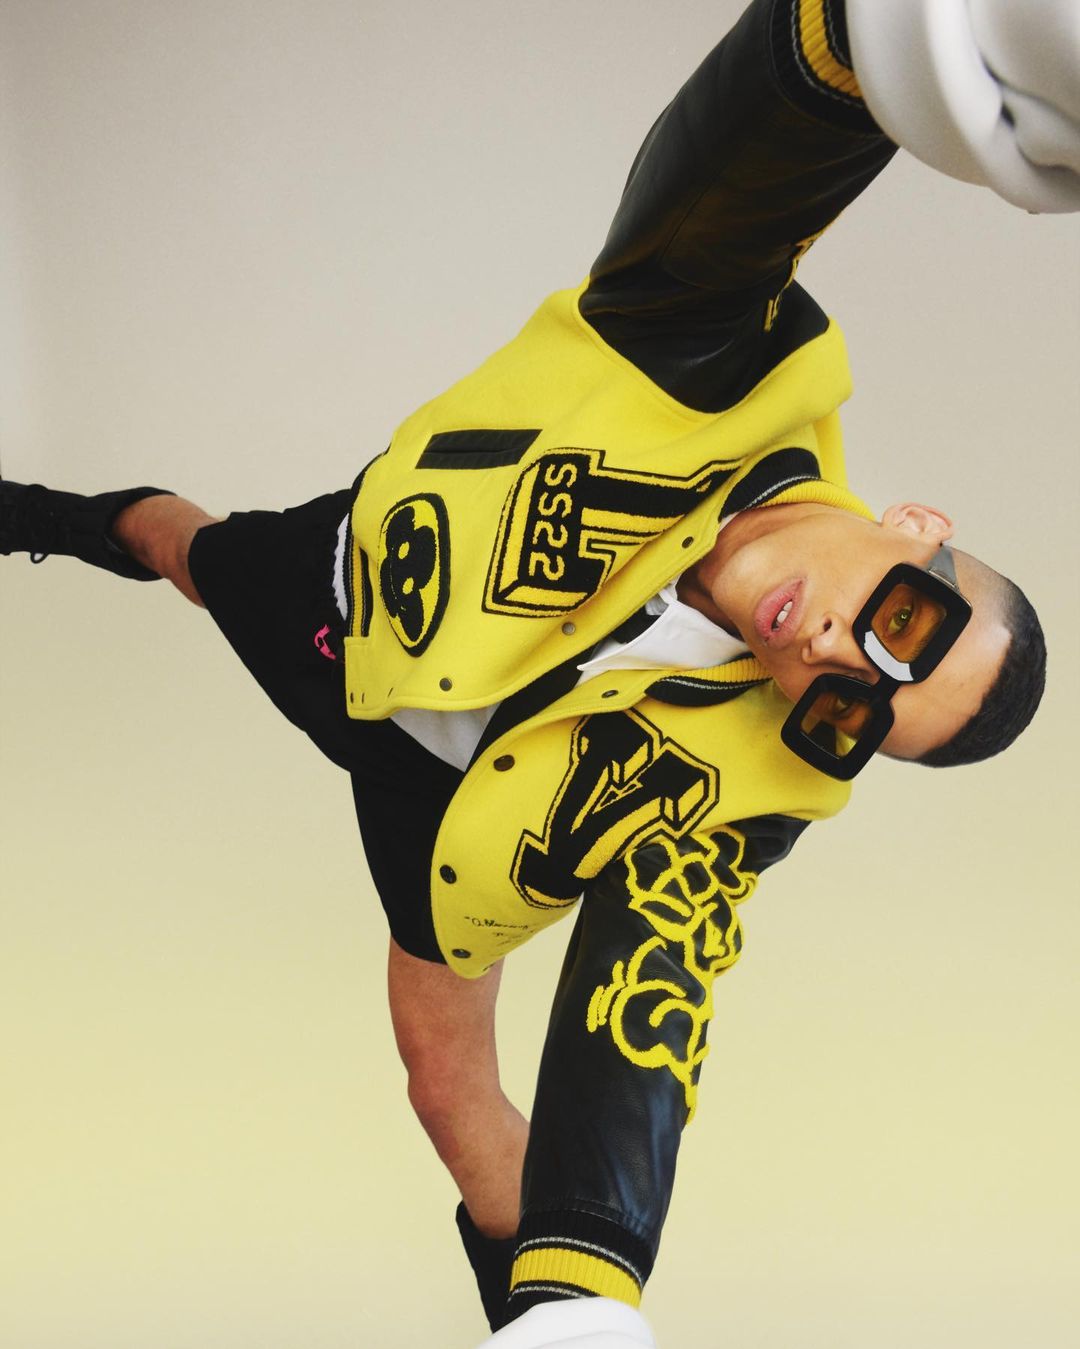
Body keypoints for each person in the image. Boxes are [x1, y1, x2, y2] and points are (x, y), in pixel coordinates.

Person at [2, 2, 1077, 1346]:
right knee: (186, 549)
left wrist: (591, 1295)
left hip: (445, 817)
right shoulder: (718, 359)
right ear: (915, 527)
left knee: (447, 1098)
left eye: (857, 711)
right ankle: (50, 516)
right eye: (901, 623)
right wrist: (888, 41)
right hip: (347, 598)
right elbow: (734, 178)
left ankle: (533, 1317)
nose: (827, 656)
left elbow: (652, 997)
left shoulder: (765, 782)